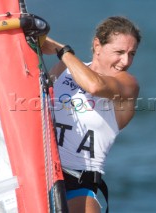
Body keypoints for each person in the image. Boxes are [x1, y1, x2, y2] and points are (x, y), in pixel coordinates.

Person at [42, 16, 141, 213]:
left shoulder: (128, 85)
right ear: (97, 45)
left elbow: (95, 86)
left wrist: (62, 50)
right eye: (120, 52)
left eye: (132, 54)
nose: (126, 61)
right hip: (39, 174)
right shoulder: (64, 69)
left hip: (78, 186)